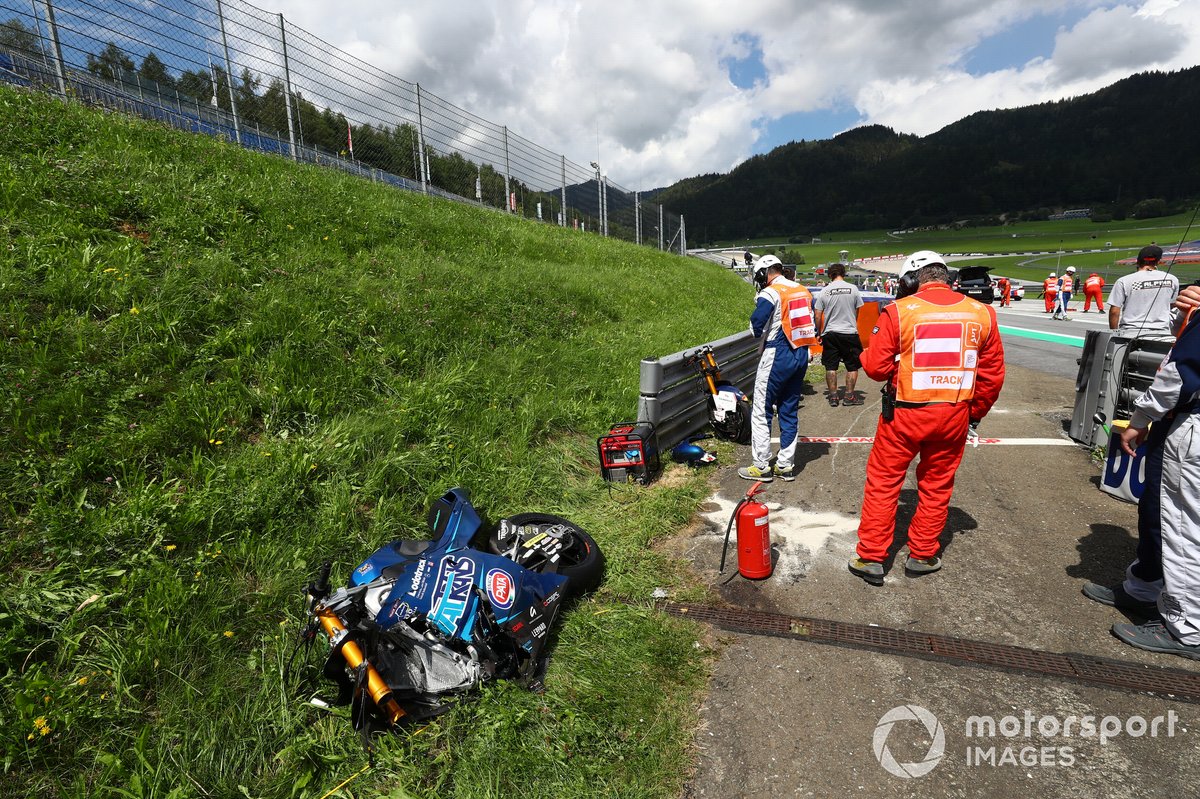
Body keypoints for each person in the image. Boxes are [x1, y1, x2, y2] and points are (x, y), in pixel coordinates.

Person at [848, 250, 1006, 585]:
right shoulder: (983, 314)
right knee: (936, 485)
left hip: (904, 414)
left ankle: (872, 558)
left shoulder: (899, 312)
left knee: (884, 482)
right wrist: (972, 415)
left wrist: (870, 353)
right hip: (954, 414)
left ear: (909, 280)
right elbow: (991, 377)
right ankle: (922, 553)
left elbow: (875, 369)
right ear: (947, 277)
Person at [1099, 292, 1200, 660]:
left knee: (1184, 524)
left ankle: (1187, 627)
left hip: (1191, 423)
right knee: (1159, 509)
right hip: (1181, 422)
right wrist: (1187, 317)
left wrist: (1140, 418)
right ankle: (1145, 586)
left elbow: (1180, 371)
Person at [738, 256, 818, 483]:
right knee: (789, 409)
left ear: (764, 273)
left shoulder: (771, 293)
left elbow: (755, 328)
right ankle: (785, 465)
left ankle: (761, 465)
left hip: (777, 354)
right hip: (801, 352)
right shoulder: (803, 290)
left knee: (761, 410)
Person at [813, 263, 865, 407]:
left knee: (830, 366)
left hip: (830, 333)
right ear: (844, 273)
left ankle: (833, 397)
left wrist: (819, 332)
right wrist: (852, 324)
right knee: (852, 366)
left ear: (830, 275)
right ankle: (849, 396)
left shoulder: (824, 291)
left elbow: (817, 315)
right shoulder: (853, 289)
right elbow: (857, 310)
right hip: (849, 332)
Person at [1108, 245, 1180, 336]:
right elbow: (1173, 307)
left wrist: (1114, 333)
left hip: (1129, 331)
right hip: (1161, 332)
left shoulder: (1123, 281)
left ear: (1138, 260)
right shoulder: (1172, 279)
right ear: (1158, 261)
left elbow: (1114, 311)